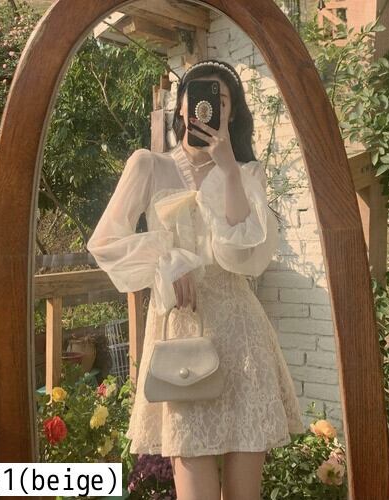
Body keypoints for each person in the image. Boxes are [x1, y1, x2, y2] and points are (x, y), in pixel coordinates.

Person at [87, 59, 304, 500]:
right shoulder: (148, 165)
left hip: (243, 339)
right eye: (200, 94)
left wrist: (229, 170)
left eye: (221, 99)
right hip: (180, 335)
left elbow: (246, 256)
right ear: (183, 105)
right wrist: (166, 258)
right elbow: (105, 243)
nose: (209, 106)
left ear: (232, 112)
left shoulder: (247, 173)